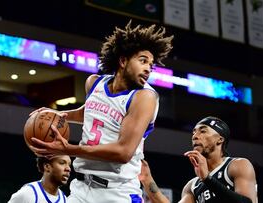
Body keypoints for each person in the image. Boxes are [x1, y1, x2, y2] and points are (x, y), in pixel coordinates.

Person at [29, 20, 173, 203]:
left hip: (116, 193)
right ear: (123, 61)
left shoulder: (144, 97)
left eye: (151, 65)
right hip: (81, 188)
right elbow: (89, 112)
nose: (148, 69)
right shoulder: (94, 83)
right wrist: (59, 115)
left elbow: (123, 152)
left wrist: (68, 149)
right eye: (143, 61)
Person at [139, 116, 258, 203]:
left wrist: (207, 179)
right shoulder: (192, 186)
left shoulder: (238, 165)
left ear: (220, 139)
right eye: (194, 132)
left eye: (203, 131)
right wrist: (147, 180)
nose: (195, 136)